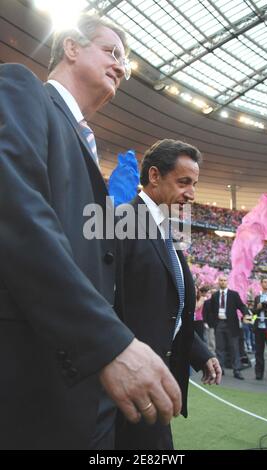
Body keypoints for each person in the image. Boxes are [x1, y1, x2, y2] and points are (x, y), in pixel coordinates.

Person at [0, 14, 182, 450]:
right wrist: (106, 342)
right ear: (71, 47)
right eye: (112, 52)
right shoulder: (21, 88)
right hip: (33, 380)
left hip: (89, 394)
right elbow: (16, 211)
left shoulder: (90, 151)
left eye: (125, 61)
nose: (121, 66)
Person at [114, 139, 221, 450]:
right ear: (155, 176)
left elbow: (165, 305)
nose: (191, 193)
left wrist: (199, 351)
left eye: (195, 184)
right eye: (184, 182)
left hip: (157, 381)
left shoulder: (167, 230)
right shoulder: (121, 222)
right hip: (129, 385)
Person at [210, 275, 248, 380]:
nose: (222, 282)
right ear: (218, 282)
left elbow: (241, 306)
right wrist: (213, 323)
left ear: (227, 282)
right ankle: (220, 369)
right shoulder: (215, 295)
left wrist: (246, 314)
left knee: (234, 348)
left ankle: (237, 370)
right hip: (219, 324)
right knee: (219, 348)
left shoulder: (233, 295)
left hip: (231, 325)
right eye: (221, 280)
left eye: (224, 280)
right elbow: (211, 310)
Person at [253, 277, 267, 382]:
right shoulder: (257, 297)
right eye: (265, 282)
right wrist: (257, 307)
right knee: (258, 352)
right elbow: (253, 312)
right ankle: (258, 373)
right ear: (261, 283)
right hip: (259, 328)